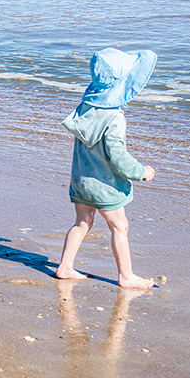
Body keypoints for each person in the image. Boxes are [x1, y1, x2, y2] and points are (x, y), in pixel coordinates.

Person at [55, 47, 157, 289]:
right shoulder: (114, 118)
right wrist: (141, 170)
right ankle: (126, 276)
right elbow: (118, 156)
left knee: (82, 222)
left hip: (81, 180)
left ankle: (65, 267)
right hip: (103, 185)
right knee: (120, 226)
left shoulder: (85, 107)